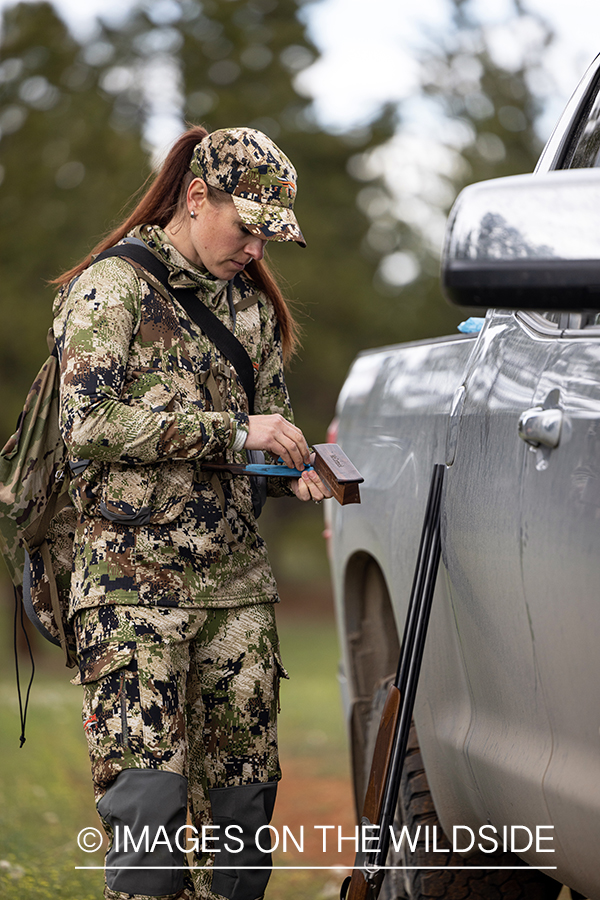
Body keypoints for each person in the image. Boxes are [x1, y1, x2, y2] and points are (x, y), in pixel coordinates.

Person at [52, 125, 331, 900]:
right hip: (132, 596)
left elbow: (263, 429)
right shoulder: (113, 289)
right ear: (197, 196)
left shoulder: (252, 311)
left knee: (242, 820)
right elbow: (90, 424)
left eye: (270, 239)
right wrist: (235, 431)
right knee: (150, 817)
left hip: (235, 594)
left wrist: (290, 470)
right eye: (248, 230)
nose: (256, 252)